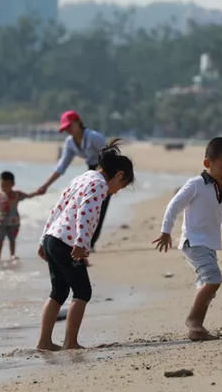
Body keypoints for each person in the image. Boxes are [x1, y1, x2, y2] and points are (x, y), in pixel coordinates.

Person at [36, 139, 134, 351]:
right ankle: (70, 342)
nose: (116, 192)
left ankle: (44, 341)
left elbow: (58, 207)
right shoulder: (99, 185)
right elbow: (85, 213)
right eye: (121, 187)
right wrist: (81, 243)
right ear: (119, 175)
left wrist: (43, 239)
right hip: (67, 243)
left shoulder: (83, 177)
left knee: (58, 292)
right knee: (82, 291)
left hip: (53, 238)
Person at [152, 137, 222, 341]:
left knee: (206, 286)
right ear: (207, 163)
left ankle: (197, 330)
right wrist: (165, 231)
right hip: (193, 242)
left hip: (210, 244)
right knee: (213, 278)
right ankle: (193, 319)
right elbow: (174, 206)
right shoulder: (195, 184)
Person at [37, 111, 108, 252]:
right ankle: (81, 241)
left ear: (78, 122)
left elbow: (109, 156)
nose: (68, 130)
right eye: (65, 128)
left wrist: (104, 177)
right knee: (84, 206)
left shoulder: (94, 137)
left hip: (105, 170)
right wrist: (45, 186)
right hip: (91, 171)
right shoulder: (70, 143)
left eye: (70, 126)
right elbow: (61, 166)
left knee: (99, 208)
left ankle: (90, 244)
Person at [0, 171, 38, 261]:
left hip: (14, 221)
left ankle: (12, 254)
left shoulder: (17, 194)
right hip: (1, 221)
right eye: (2, 185)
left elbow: (28, 196)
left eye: (7, 185)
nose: (4, 188)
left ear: (13, 184)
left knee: (12, 239)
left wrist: (37, 192)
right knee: (0, 239)